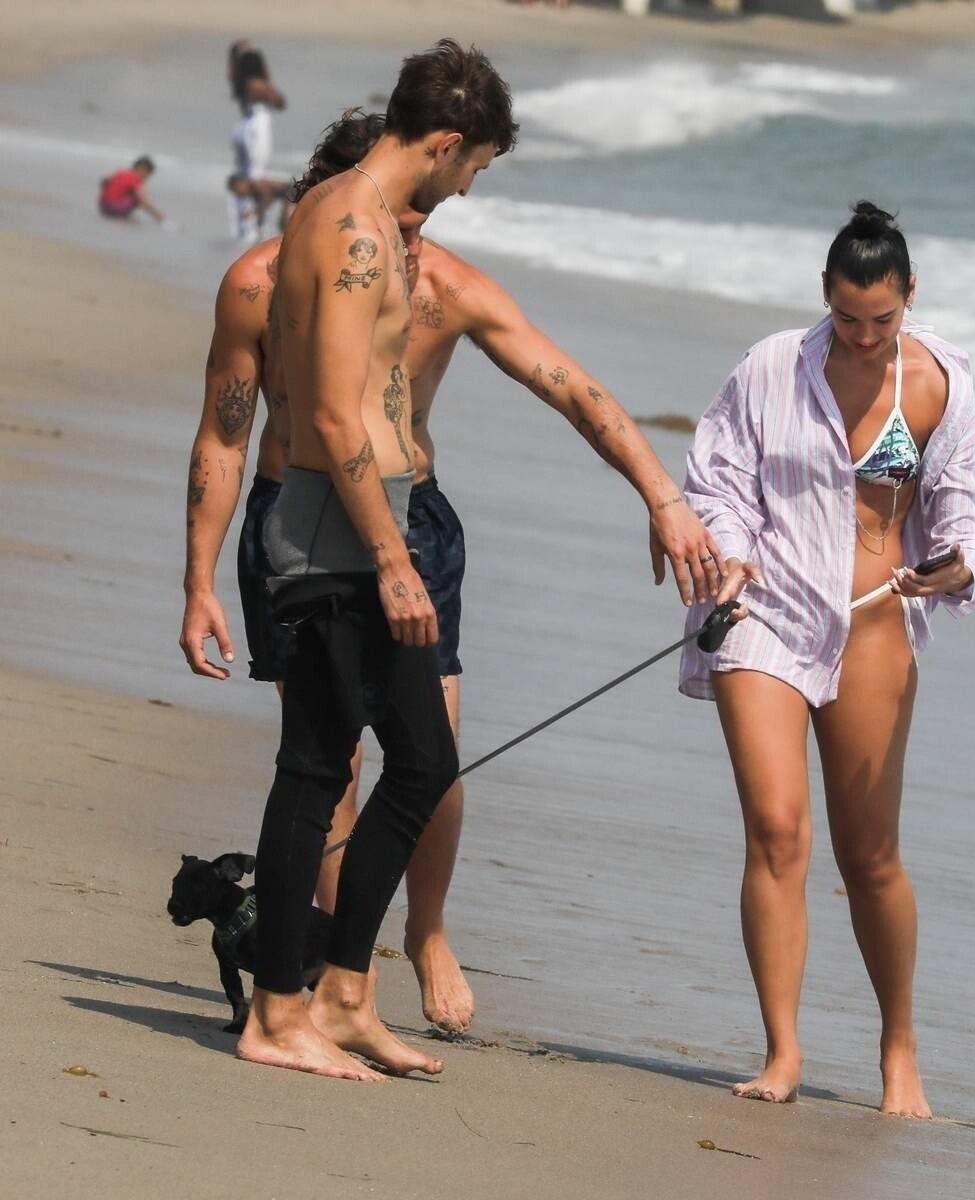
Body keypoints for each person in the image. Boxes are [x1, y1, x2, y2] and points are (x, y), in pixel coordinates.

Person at [179, 108, 719, 1037]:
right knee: (331, 760)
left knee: (432, 755)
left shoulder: (447, 288)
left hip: (415, 523)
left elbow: (573, 388)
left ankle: (425, 931)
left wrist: (662, 495)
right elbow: (224, 437)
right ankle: (343, 966)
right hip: (297, 517)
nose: (410, 243)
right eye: (398, 221)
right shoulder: (259, 286)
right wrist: (197, 582)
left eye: (420, 223)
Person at [217, 38, 516, 1082]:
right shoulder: (350, 224)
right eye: (472, 167)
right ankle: (278, 1012)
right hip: (336, 531)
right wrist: (393, 560)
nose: (466, 186)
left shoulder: (354, 215)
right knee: (324, 766)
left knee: (410, 761)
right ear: (445, 142)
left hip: (349, 523)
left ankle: (340, 995)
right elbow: (336, 412)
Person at [679, 202, 975, 1117]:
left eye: (882, 319)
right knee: (777, 830)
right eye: (848, 317)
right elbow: (717, 479)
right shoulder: (771, 368)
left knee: (871, 856)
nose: (864, 336)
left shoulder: (937, 385)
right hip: (765, 615)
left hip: (873, 625)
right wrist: (728, 552)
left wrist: (958, 566)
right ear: (826, 295)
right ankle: (782, 1051)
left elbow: (972, 513)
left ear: (910, 296)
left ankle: (899, 1044)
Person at [228, 39, 286, 241]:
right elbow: (280, 102)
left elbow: (231, 69)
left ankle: (242, 225)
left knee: (244, 174)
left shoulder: (240, 82)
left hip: (243, 124)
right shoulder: (258, 84)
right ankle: (255, 224)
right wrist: (267, 80)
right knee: (257, 176)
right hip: (258, 125)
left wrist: (237, 52)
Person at [98, 157, 166, 224]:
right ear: (142, 169)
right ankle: (120, 214)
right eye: (147, 175)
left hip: (103, 206)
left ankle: (116, 208)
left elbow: (104, 181)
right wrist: (158, 215)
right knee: (136, 197)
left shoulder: (121, 172)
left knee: (131, 192)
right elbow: (143, 201)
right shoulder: (135, 179)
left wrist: (106, 193)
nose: (145, 178)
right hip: (114, 209)